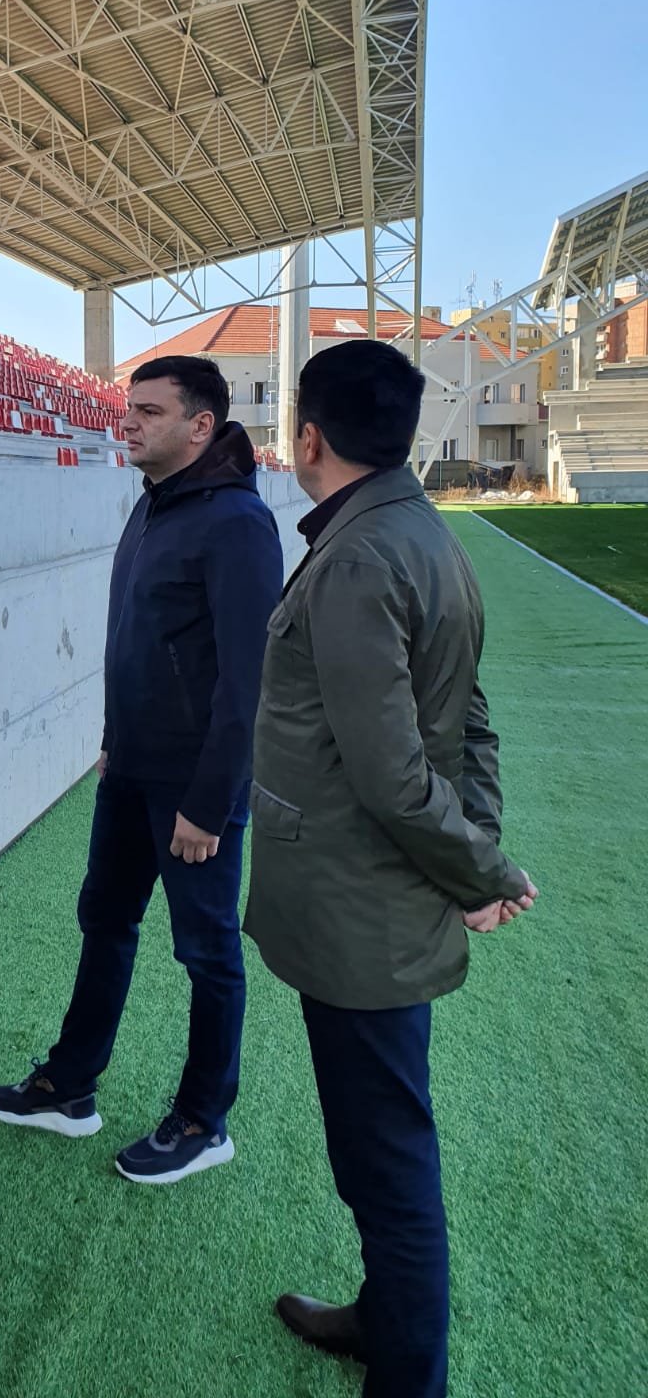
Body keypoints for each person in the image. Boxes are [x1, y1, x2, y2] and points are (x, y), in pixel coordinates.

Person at [244, 341, 538, 1397]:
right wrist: (476, 855)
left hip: (362, 910)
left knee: (387, 1163)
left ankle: (408, 1374)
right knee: (378, 1151)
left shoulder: (362, 556)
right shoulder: (418, 532)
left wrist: (482, 872)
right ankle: (384, 1318)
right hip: (378, 901)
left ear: (308, 439)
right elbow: (469, 719)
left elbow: (394, 773)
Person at [0, 356, 283, 1184]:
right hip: (131, 771)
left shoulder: (237, 522)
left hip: (194, 788)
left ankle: (204, 1121)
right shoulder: (153, 503)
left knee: (207, 952)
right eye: (130, 407)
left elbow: (247, 681)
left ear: (200, 426)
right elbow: (138, 642)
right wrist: (117, 739)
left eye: (150, 411)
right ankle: (69, 1086)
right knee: (105, 920)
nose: (129, 422)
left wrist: (210, 802)